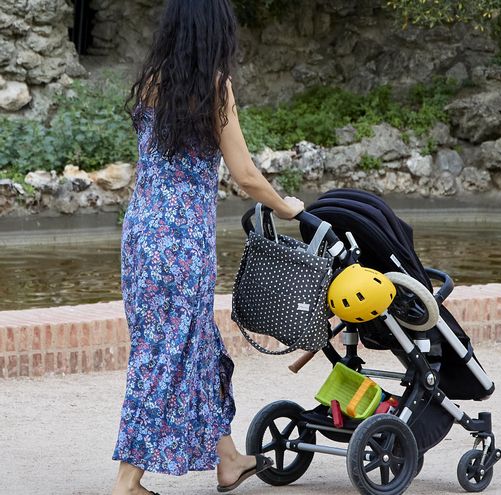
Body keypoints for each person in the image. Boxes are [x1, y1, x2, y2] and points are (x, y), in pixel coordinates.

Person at [111, 1, 304, 493]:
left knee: (194, 344)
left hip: (140, 235)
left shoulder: (153, 81)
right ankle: (127, 481)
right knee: (164, 353)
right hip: (182, 244)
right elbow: (245, 175)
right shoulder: (214, 87)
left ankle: (229, 458)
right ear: (216, 32)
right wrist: (287, 209)